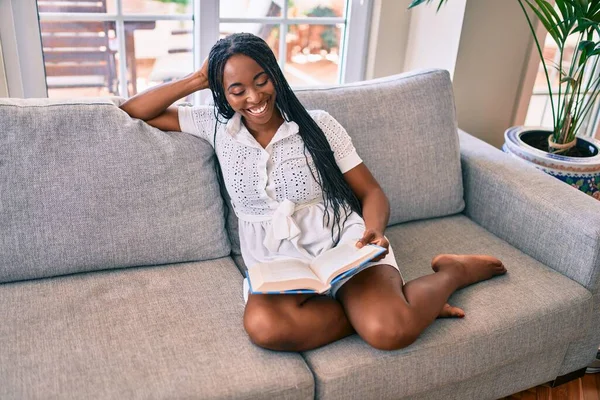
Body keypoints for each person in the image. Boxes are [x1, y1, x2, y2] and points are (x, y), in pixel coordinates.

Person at [120, 32, 507, 352]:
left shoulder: (318, 124)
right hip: (276, 259)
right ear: (222, 93)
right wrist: (198, 79)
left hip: (343, 247)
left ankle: (451, 274)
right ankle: (400, 306)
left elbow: (371, 193)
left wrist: (374, 230)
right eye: (236, 89)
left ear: (275, 74)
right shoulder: (215, 125)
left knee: (391, 334)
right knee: (265, 328)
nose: (253, 98)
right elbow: (134, 110)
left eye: (261, 81)